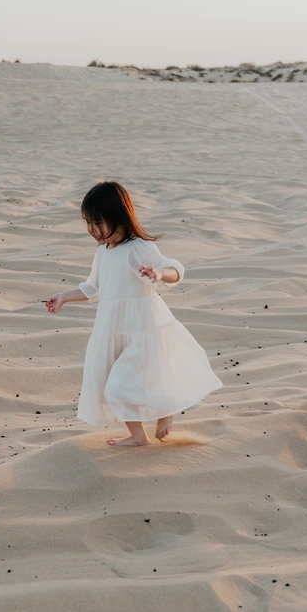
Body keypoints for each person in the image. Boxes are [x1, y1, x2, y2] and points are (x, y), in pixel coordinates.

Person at [45, 181, 222, 446]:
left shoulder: (137, 248)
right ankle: (139, 436)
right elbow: (94, 287)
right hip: (113, 328)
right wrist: (64, 297)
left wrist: (158, 273)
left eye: (98, 222)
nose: (92, 229)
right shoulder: (103, 253)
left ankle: (166, 411)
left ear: (118, 217)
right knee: (112, 385)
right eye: (88, 222)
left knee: (127, 384)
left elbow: (174, 269)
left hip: (143, 326)